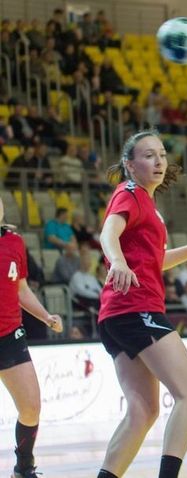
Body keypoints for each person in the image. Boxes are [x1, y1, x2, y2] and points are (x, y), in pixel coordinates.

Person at [96, 129, 187, 478]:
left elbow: (155, 261)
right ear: (130, 165)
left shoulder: (148, 205)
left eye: (162, 154)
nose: (158, 161)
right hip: (136, 308)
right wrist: (118, 261)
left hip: (116, 315)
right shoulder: (129, 193)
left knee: (142, 412)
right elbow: (108, 233)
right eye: (148, 155)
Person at [0, 197, 64, 478]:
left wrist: (46, 316)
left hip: (9, 336)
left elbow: (21, 290)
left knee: (30, 408)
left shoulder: (14, 242)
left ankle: (23, 468)